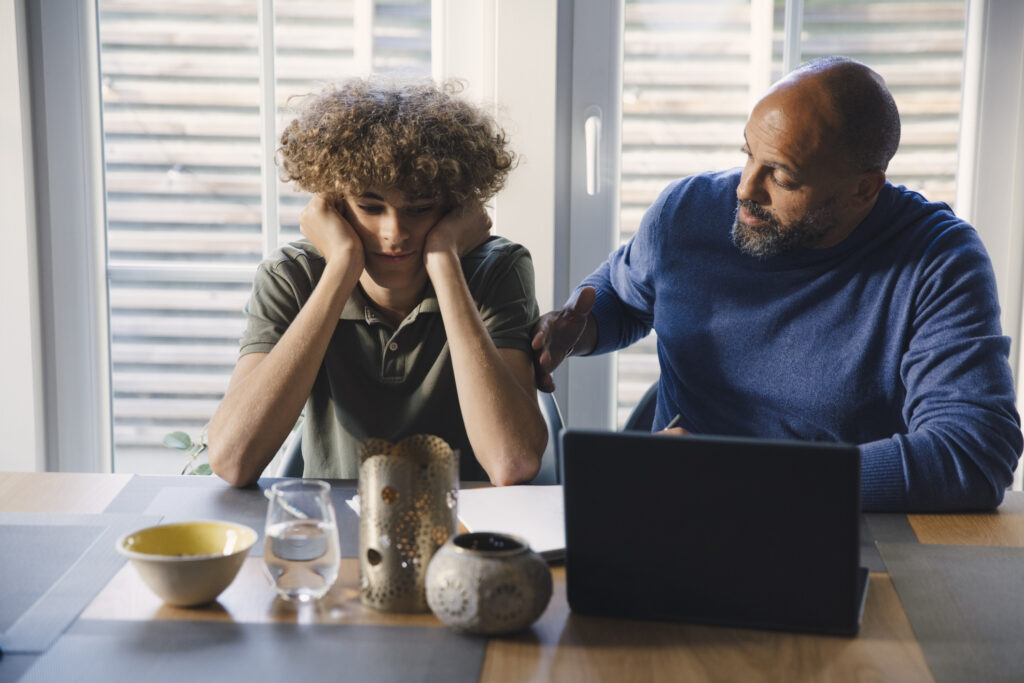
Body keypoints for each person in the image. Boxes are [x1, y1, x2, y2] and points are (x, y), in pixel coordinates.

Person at [532, 56, 1022, 512]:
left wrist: (739, 475)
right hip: (673, 512)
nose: (744, 188)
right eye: (748, 154)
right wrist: (581, 327)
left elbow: (973, 452)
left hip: (827, 525)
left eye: (782, 177)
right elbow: (625, 295)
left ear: (862, 190)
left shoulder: (938, 261)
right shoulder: (688, 211)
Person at [208, 78, 547, 487]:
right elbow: (232, 460)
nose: (395, 233)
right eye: (370, 207)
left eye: (420, 209)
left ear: (455, 204)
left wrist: (444, 261)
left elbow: (511, 462)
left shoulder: (498, 271)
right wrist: (342, 267)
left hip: (462, 533)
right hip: (335, 534)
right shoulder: (291, 276)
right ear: (332, 202)